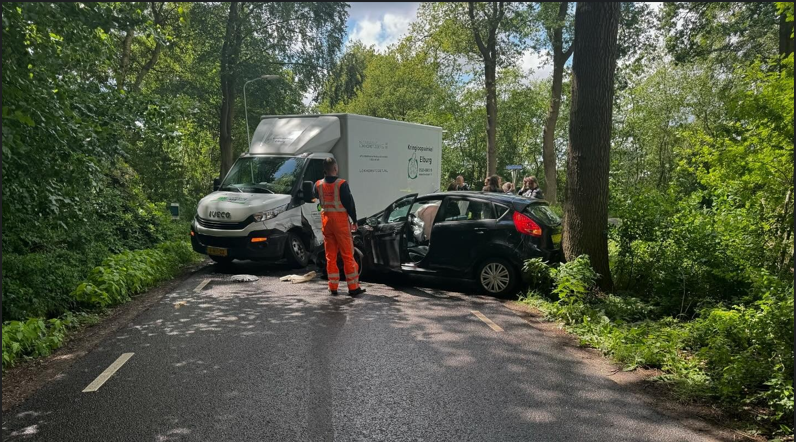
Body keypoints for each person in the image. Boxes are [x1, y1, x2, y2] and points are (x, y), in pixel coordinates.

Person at [314, 158, 365, 297]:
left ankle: (333, 286)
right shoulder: (341, 184)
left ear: (325, 170)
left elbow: (315, 198)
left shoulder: (318, 184)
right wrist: (354, 220)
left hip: (326, 222)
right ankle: (353, 287)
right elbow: (349, 203)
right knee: (347, 255)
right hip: (340, 223)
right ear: (335, 168)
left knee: (330, 256)